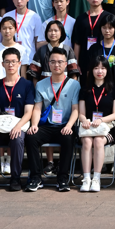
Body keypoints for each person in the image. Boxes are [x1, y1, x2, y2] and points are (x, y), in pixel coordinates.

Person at [0, 47, 36, 191]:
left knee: (17, 138)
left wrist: (18, 127)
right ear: (2, 64)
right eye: (7, 62)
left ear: (19, 63)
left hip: (17, 126)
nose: (10, 64)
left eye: (13, 61)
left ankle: (15, 178)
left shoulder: (27, 85)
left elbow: (28, 112)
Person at [23, 47, 78, 191]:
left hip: (64, 125)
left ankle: (62, 178)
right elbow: (37, 108)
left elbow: (75, 109)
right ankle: (36, 178)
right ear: (48, 64)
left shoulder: (74, 85)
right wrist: (34, 125)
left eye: (60, 62)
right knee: (31, 137)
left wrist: (69, 126)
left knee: (68, 138)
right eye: (53, 62)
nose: (56, 65)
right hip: (47, 125)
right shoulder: (41, 84)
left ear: (65, 64)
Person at [76, 59, 115, 192]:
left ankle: (96, 178)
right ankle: (86, 178)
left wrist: (101, 120)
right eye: (96, 68)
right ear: (91, 71)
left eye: (103, 68)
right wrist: (84, 120)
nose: (99, 71)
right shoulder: (85, 89)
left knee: (99, 141)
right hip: (89, 126)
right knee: (87, 142)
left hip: (108, 126)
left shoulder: (114, 89)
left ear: (107, 70)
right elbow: (81, 113)